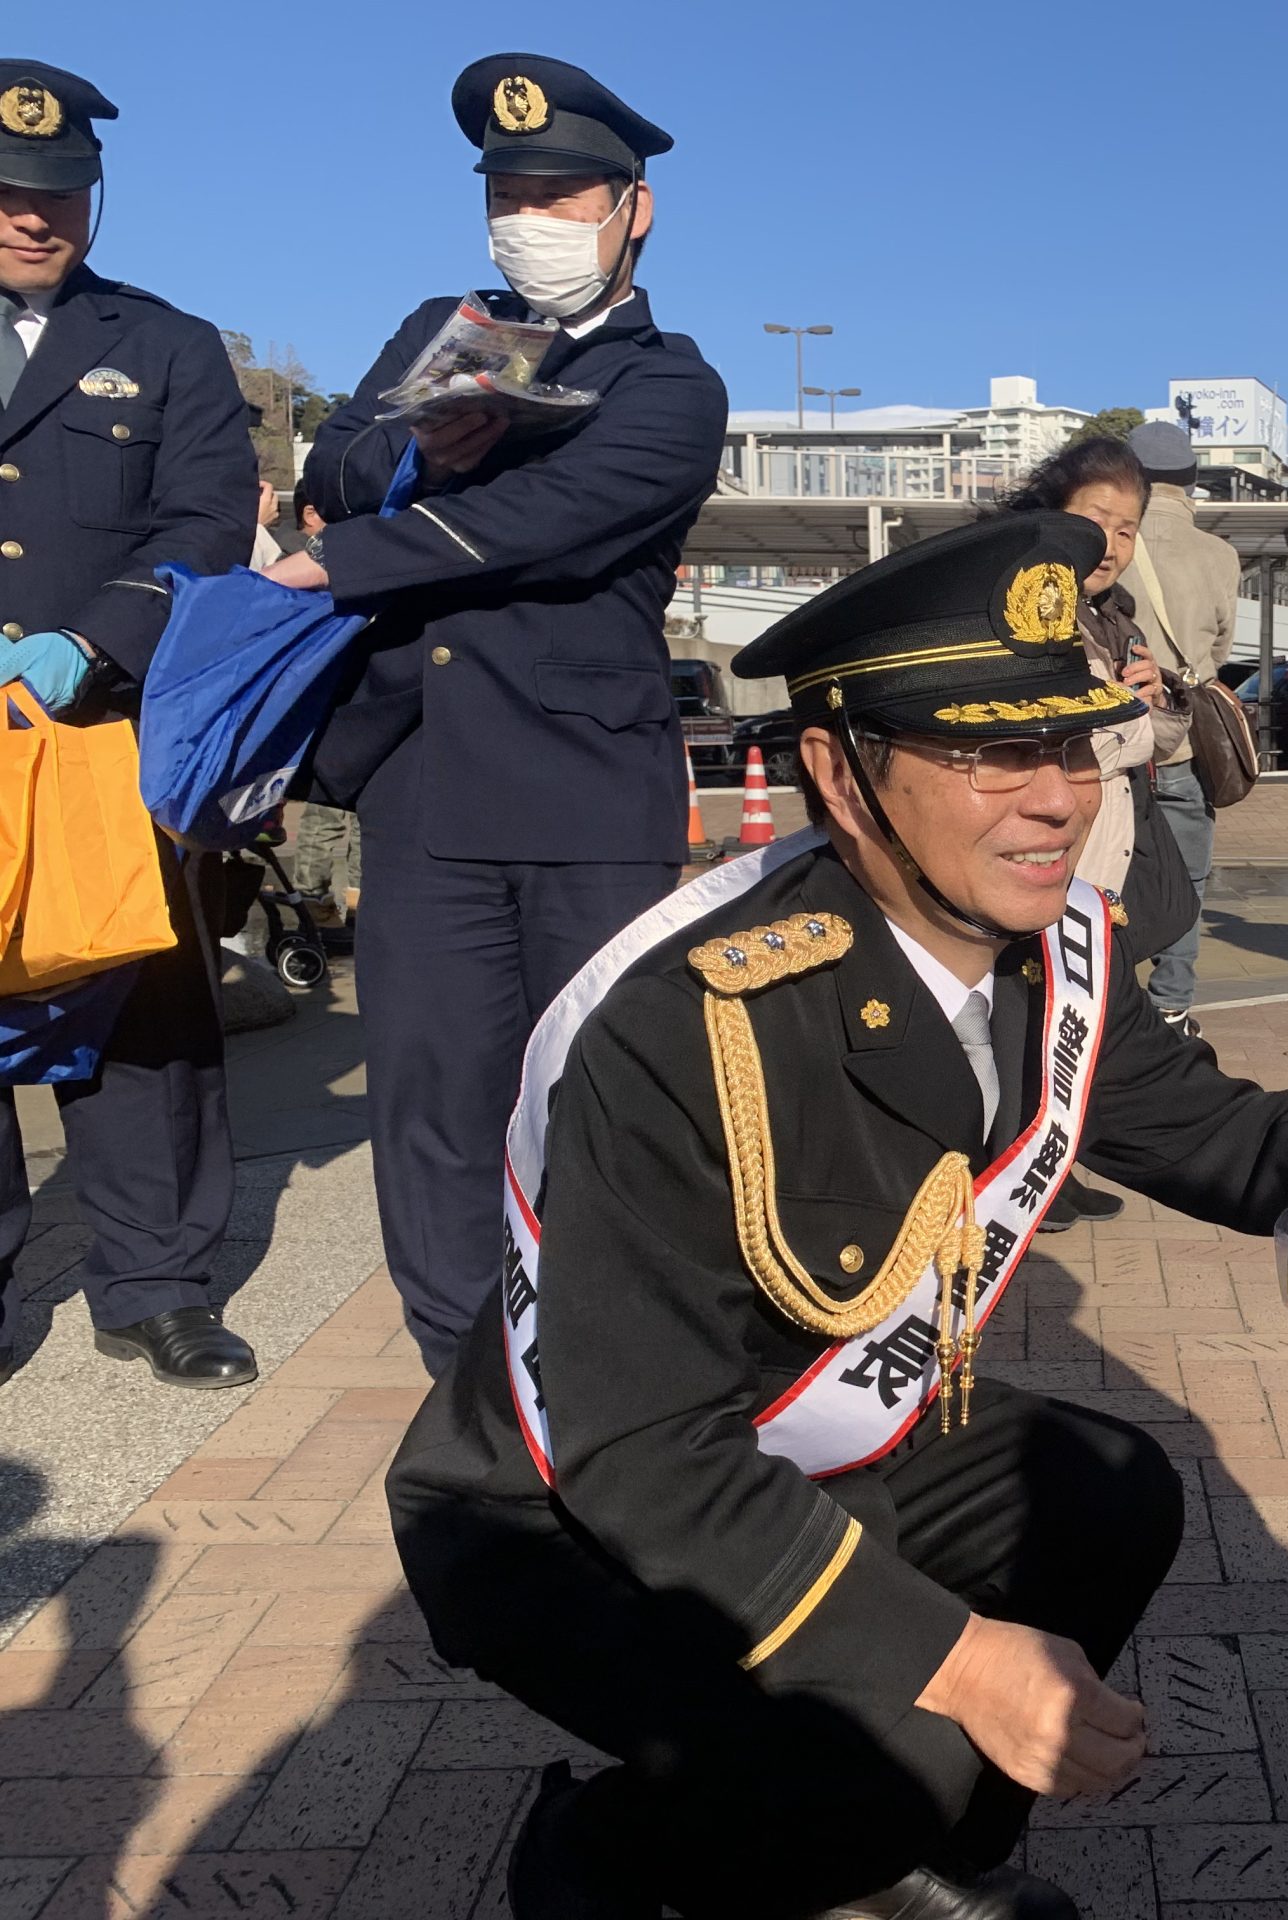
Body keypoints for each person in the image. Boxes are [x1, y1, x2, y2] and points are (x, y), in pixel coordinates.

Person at [385, 511, 1288, 1920]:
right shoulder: (693, 1024)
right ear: (841, 773)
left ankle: (909, 1852)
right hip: (559, 1507)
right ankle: (603, 1866)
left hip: (812, 1443)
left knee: (1108, 1492)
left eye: (1075, 745)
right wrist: (962, 1660)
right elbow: (641, 1450)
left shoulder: (1053, 946)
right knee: (905, 1721)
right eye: (993, 754)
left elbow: (1206, 1130)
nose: (1062, 798)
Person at [284, 54, 727, 1375]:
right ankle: (459, 1363)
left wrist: (347, 552)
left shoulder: (673, 383)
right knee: (432, 1098)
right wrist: (416, 448)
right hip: (424, 783)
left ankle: (597, 1362)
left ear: (632, 207)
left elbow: (561, 524)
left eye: (561, 190)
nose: (528, 216)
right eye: (509, 190)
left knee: (598, 1092)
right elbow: (336, 458)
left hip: (585, 790)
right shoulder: (450, 325)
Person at [0, 61, 261, 1388]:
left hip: (99, 725)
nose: (35, 217)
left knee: (140, 1007)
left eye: (61, 194)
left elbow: (208, 520)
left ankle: (156, 1284)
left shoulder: (162, 344)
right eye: (9, 193)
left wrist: (95, 634)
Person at [1004, 437, 1181, 1231]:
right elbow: (1065, 741)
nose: (1112, 541)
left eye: (1128, 526)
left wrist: (1157, 699)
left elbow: (1162, 738)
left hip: (1099, 856)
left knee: (1071, 1016)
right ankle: (1019, 1173)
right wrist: (1137, 719)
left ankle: (1056, 1165)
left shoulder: (1111, 620)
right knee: (1030, 1014)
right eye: (1096, 519)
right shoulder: (1026, 611)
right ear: (1053, 517)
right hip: (1043, 846)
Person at [1120, 421, 1240, 1032]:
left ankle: (1113, 1004)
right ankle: (1172, 1005)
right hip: (1186, 744)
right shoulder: (1219, 554)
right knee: (1188, 879)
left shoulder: (1106, 546)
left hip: (1117, 747)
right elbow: (1219, 650)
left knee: (1108, 876)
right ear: (1192, 482)